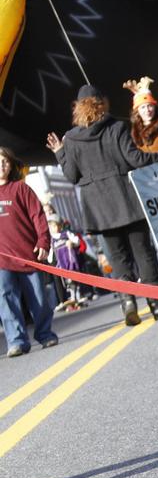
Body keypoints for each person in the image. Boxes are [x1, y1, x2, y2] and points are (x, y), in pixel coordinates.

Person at [46, 84, 158, 325]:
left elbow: (72, 176)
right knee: (143, 253)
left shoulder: (70, 139)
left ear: (78, 108)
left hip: (99, 209)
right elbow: (136, 159)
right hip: (127, 200)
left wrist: (61, 152)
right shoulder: (116, 127)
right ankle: (156, 305)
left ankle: (128, 302)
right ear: (101, 103)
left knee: (118, 258)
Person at [0, 147, 58, 357]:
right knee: (6, 299)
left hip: (28, 255)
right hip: (2, 261)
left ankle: (45, 333)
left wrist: (43, 242)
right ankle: (16, 341)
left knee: (39, 298)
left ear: (11, 165)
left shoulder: (21, 189)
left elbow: (38, 217)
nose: (1, 165)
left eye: (4, 161)